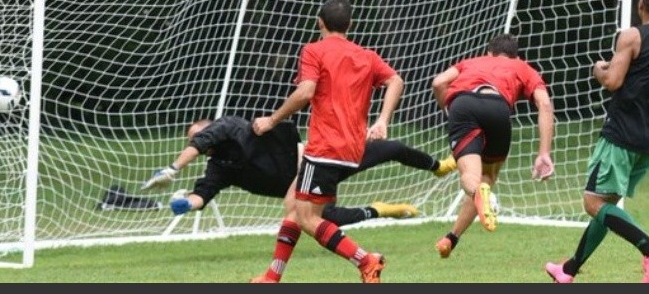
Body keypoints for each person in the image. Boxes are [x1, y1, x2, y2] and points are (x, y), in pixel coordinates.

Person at [545, 0, 649, 284]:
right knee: (607, 206)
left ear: (640, 5)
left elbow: (613, 81)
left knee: (593, 203)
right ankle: (569, 269)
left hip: (620, 136)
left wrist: (598, 69)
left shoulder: (632, 36)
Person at [249, 0, 404, 283]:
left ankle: (366, 260)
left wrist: (271, 120)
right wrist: (383, 120)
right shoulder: (366, 55)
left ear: (319, 22)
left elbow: (306, 92)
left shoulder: (313, 50)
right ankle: (273, 276)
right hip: (351, 148)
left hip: (324, 147)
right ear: (351, 24)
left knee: (308, 218)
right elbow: (396, 80)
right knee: (295, 206)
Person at [141, 115, 456, 225]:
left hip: (321, 158)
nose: (196, 142)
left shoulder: (231, 126)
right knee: (324, 221)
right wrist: (180, 204)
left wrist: (172, 167)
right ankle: (383, 210)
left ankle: (438, 166)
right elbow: (201, 195)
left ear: (211, 131)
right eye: (192, 141)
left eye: (196, 137)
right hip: (303, 186)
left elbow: (203, 139)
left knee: (392, 148)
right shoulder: (219, 167)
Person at [430, 32, 555, 259]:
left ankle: (478, 195)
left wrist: (449, 110)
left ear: (490, 52)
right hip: (498, 108)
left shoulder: (472, 61)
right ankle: (452, 237)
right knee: (486, 177)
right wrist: (544, 153)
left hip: (464, 104)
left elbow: (439, 82)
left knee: (470, 175)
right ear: (516, 56)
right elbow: (544, 104)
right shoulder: (523, 68)